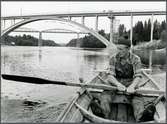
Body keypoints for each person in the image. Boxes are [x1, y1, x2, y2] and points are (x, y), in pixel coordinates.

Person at [99, 35, 156, 122]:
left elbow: (138, 75)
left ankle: (141, 117)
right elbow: (110, 76)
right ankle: (103, 113)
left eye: (121, 49)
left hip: (131, 81)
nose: (118, 51)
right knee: (105, 94)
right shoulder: (113, 58)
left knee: (137, 97)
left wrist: (132, 86)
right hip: (115, 81)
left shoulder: (136, 59)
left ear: (128, 49)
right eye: (118, 49)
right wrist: (118, 84)